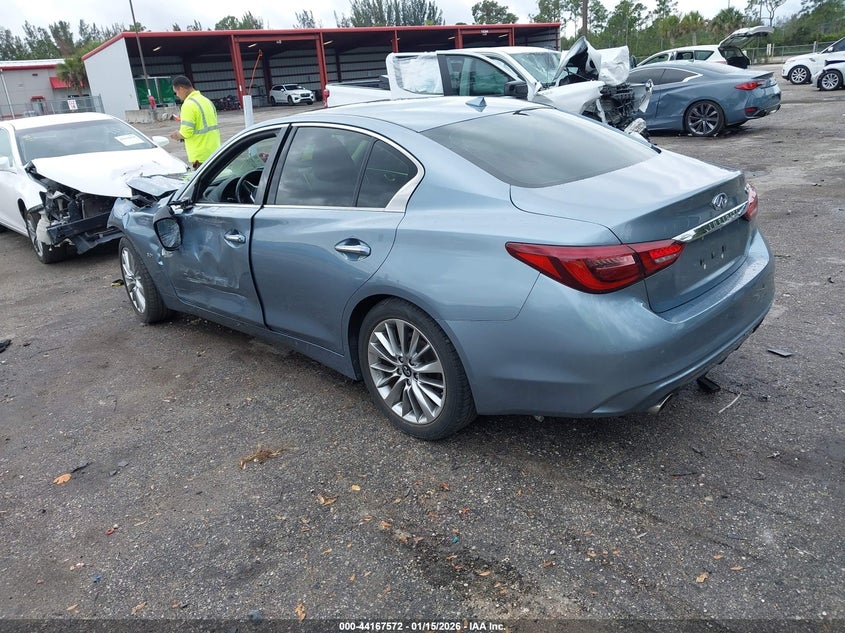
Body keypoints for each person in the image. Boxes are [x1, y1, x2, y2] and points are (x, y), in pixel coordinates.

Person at [169, 75, 221, 169]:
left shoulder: (188, 105)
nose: (177, 95)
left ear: (181, 89)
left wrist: (177, 135)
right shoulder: (206, 101)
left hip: (200, 156)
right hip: (215, 151)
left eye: (176, 92)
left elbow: (186, 132)